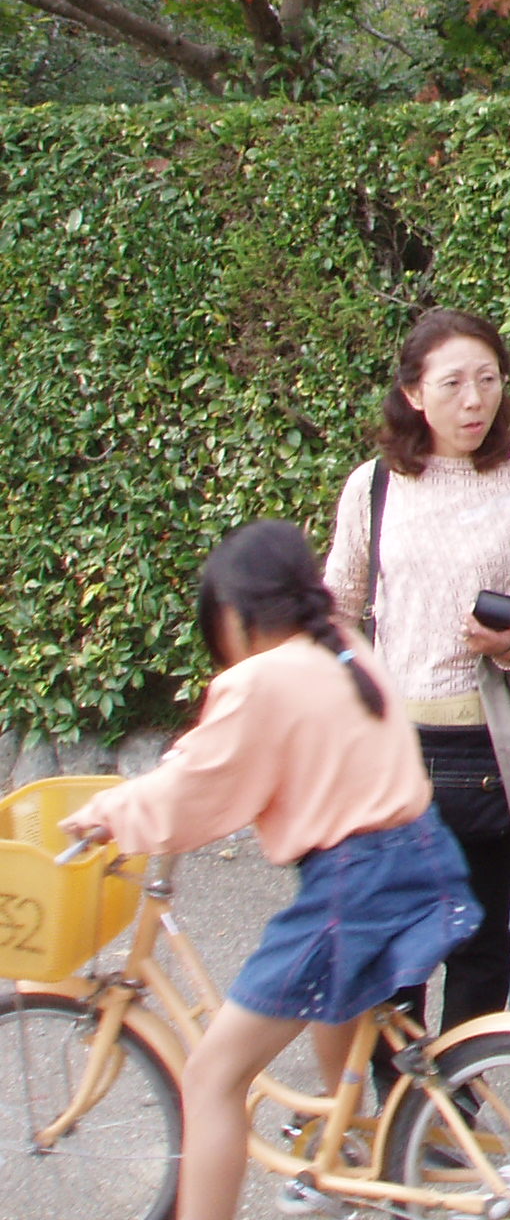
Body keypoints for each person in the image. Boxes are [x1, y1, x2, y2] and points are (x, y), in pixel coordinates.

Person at [63, 522, 477, 1220]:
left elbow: (199, 789)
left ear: (238, 613)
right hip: (420, 856)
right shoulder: (343, 647)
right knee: (332, 995)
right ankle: (335, 1145)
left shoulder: (262, 679)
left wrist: (111, 814)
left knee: (213, 1075)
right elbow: (250, 750)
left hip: (356, 882)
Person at [324, 307, 510, 1032]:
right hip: (394, 747)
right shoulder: (373, 487)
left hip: (490, 749)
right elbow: (337, 606)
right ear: (413, 393)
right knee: (393, 945)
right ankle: (396, 1111)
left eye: (488, 380)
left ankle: (456, 1107)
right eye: (454, 383)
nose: (474, 400)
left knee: (478, 941)